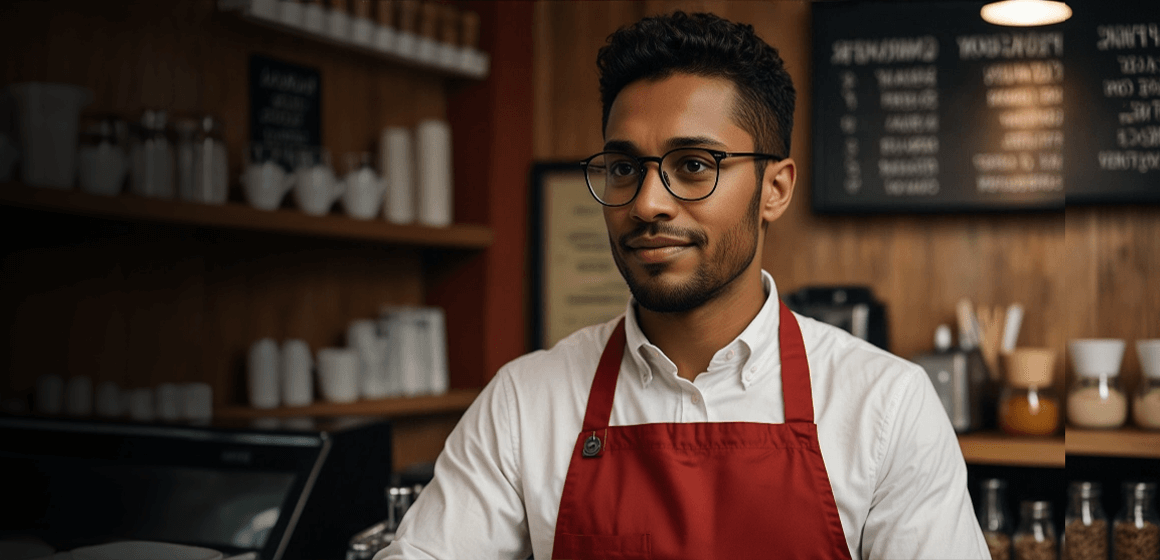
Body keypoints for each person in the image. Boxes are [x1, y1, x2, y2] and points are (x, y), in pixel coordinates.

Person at [376, 11, 989, 560]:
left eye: (693, 165)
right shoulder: (525, 402)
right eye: (624, 168)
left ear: (774, 190)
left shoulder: (886, 406)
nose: (647, 203)